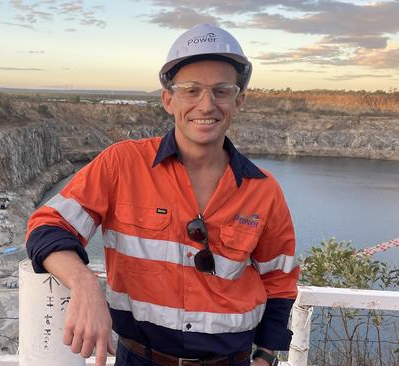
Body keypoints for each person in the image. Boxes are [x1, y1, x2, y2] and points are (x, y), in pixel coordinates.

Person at [25, 23, 299, 366]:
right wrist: (84, 284)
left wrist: (266, 356)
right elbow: (47, 226)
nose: (206, 104)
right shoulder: (122, 165)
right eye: (190, 90)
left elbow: (279, 281)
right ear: (168, 99)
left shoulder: (264, 190)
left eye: (222, 91)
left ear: (239, 100)